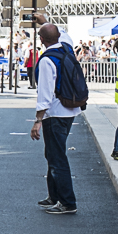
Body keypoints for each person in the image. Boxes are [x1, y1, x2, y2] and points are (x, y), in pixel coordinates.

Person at [30, 20, 81, 215]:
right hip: (70, 110)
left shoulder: (46, 60)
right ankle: (55, 195)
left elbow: (45, 94)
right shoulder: (67, 48)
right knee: (53, 154)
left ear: (41, 39)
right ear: (58, 37)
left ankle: (67, 202)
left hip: (55, 113)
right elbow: (65, 33)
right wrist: (46, 21)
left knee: (57, 157)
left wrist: (37, 120)